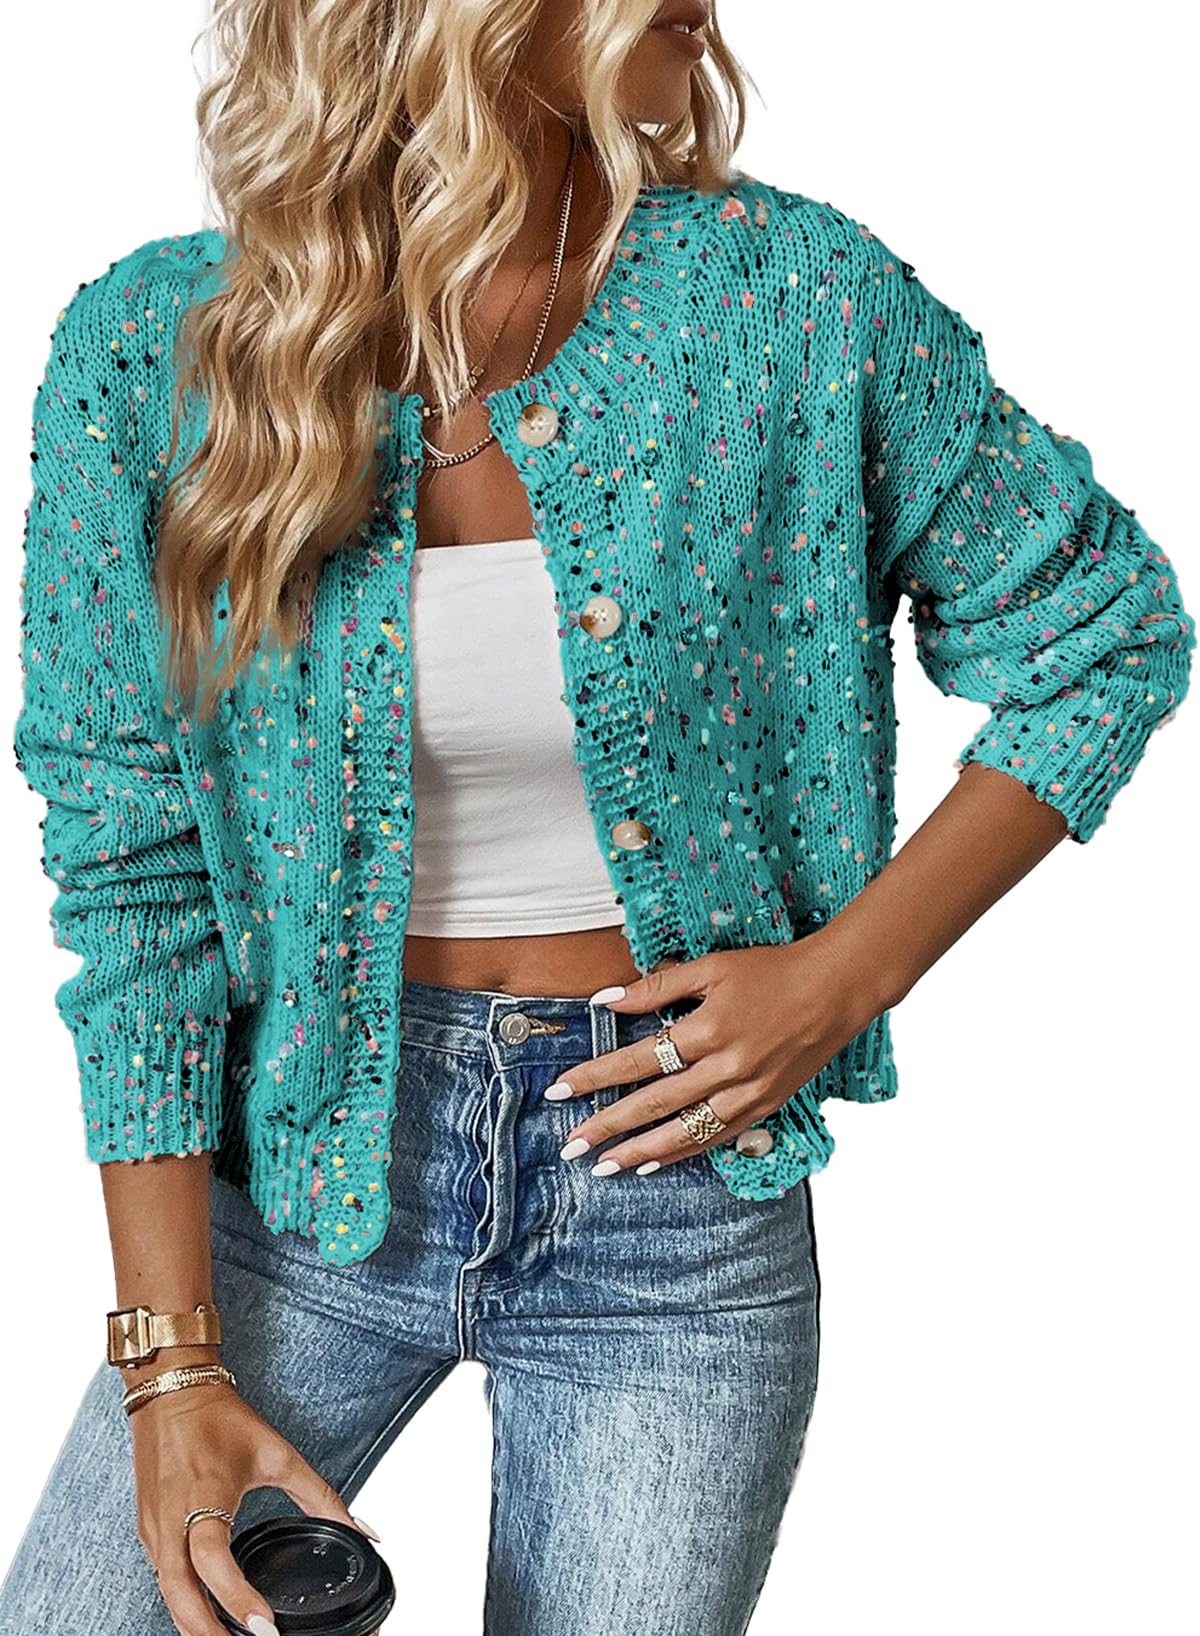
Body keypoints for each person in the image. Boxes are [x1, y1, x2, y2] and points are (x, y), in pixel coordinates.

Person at [2, 2, 1193, 1633]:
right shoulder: (157, 353)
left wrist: (843, 979)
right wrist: (170, 1368)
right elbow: (134, 883)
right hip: (295, 1185)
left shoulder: (794, 302)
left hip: (675, 1208)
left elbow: (1105, 631)